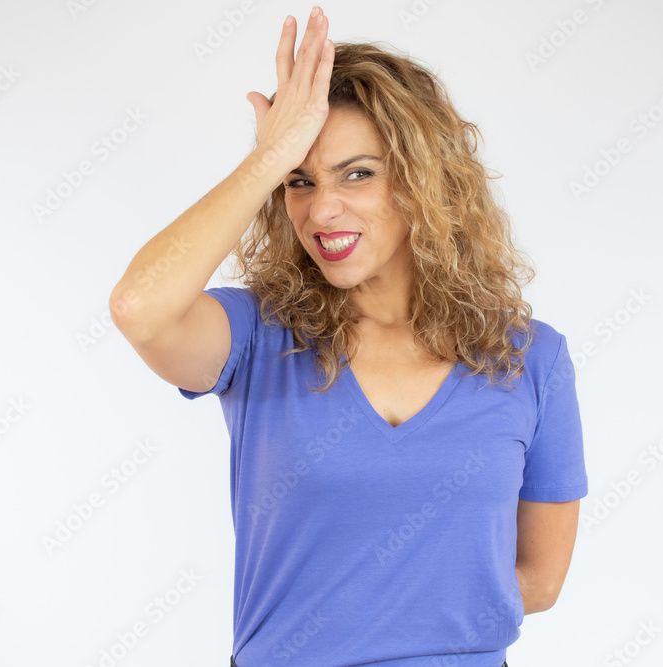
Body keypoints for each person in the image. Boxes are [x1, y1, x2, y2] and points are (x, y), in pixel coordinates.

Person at [109, 7, 587, 666]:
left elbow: (541, 577)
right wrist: (271, 153)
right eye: (299, 181)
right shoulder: (257, 339)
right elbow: (140, 306)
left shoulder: (533, 358)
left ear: (422, 180)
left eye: (356, 172)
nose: (320, 208)